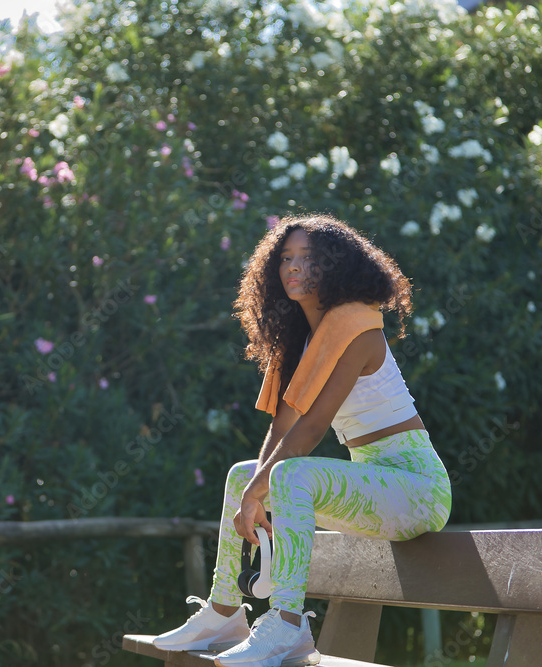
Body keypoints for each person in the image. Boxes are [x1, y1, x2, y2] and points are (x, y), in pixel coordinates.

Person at [153, 214, 452, 667]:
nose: (293, 267)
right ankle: (224, 610)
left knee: (286, 474)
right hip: (373, 482)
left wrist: (260, 494)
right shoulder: (302, 342)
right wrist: (253, 489)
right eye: (286, 258)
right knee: (243, 474)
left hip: (418, 488)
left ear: (334, 265)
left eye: (308, 259)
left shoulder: (357, 325)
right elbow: (281, 429)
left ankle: (288, 625)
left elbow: (310, 429)